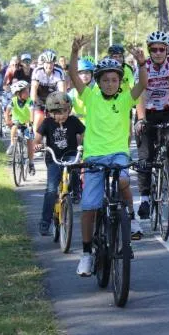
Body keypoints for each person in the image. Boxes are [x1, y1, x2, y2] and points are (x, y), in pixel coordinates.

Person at [69, 35, 147, 276]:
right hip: (94, 157)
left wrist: (142, 64)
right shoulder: (90, 97)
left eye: (114, 80)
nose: (111, 83)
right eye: (106, 80)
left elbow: (142, 84)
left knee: (123, 181)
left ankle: (130, 218)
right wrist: (74, 54)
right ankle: (86, 255)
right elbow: (73, 75)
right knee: (90, 207)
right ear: (98, 82)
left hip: (118, 155)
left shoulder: (125, 99)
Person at [135, 31, 169, 220]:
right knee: (144, 158)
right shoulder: (143, 67)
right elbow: (140, 94)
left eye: (161, 49)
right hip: (148, 111)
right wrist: (141, 118)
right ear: (149, 50)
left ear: (167, 50)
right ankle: (144, 198)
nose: (157, 52)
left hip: (168, 108)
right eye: (154, 49)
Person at [34, 91, 85, 236]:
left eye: (63, 111)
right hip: (54, 159)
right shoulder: (47, 123)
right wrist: (37, 145)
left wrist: (83, 144)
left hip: (70, 156)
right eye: (56, 113)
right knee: (51, 190)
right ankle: (45, 222)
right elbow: (37, 139)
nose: (60, 115)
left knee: (75, 170)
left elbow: (83, 134)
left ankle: (76, 191)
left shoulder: (74, 121)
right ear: (49, 112)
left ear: (69, 110)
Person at [30, 49, 66, 135]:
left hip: (53, 97)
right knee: (39, 117)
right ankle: (36, 140)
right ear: (43, 63)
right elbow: (34, 88)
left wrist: (62, 103)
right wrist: (33, 101)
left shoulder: (59, 72)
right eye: (47, 63)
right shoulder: (37, 71)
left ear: (54, 63)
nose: (49, 65)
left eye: (51, 63)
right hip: (39, 97)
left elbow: (62, 90)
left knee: (57, 119)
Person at [4, 80, 36, 175]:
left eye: (28, 91)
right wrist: (7, 120)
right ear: (18, 93)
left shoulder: (30, 101)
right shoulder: (13, 101)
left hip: (27, 122)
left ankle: (31, 163)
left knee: (30, 141)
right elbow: (7, 111)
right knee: (14, 127)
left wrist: (31, 122)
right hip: (16, 121)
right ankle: (12, 144)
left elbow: (32, 112)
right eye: (25, 91)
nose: (28, 93)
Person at [68, 58, 94, 124]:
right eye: (81, 73)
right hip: (77, 125)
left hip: (94, 124)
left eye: (87, 72)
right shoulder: (72, 92)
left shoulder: (98, 90)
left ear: (92, 74)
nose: (84, 75)